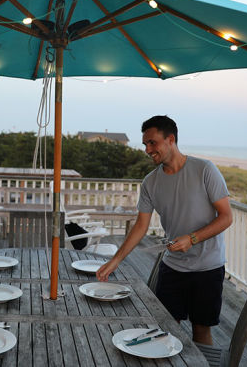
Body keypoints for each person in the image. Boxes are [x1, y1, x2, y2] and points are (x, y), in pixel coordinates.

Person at [96, 116, 232, 345]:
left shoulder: (205, 169)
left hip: (208, 267)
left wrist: (192, 238)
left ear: (170, 139)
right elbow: (141, 226)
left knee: (201, 331)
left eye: (152, 142)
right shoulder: (150, 182)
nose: (148, 149)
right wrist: (116, 260)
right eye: (145, 144)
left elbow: (226, 217)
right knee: (164, 329)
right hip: (173, 267)